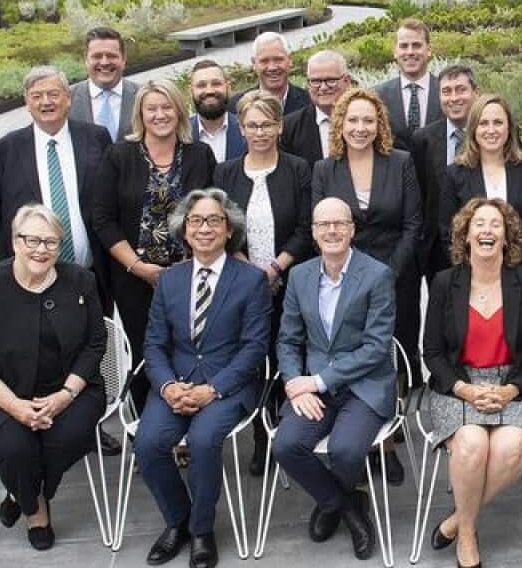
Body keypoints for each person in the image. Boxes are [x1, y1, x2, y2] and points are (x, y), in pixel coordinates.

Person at [0, 204, 106, 550]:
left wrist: (65, 395)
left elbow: (95, 343)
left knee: (64, 440)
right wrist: (17, 408)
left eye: (51, 242)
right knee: (15, 449)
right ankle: (36, 509)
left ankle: (18, 493)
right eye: (32, 240)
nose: (42, 250)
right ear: (14, 242)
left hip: (70, 391)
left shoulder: (81, 280)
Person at [134, 189, 269, 568]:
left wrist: (214, 389)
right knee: (147, 444)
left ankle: (202, 531)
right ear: (184, 230)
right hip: (175, 383)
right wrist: (167, 386)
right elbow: (154, 345)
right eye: (196, 221)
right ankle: (178, 521)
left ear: (229, 230)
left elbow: (254, 348)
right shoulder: (169, 280)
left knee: (204, 439)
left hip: (228, 385)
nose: (204, 228)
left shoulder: (251, 280)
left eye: (214, 220)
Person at [421, 198, 522, 568]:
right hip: (460, 384)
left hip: (514, 384)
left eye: (496, 225)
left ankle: (457, 522)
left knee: (511, 449)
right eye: (479, 224)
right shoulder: (445, 283)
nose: (487, 231)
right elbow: (431, 352)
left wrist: (511, 389)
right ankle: (467, 536)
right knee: (472, 445)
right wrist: (464, 389)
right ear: (465, 236)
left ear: (507, 238)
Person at [273, 197, 397, 562]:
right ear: (312, 232)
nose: (332, 231)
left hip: (365, 384)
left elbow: (377, 348)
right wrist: (295, 382)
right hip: (312, 386)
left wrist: (319, 381)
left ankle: (334, 503)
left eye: (339, 223)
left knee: (346, 449)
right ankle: (346, 505)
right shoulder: (300, 275)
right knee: (286, 445)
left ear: (352, 229)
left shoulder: (376, 275)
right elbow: (288, 339)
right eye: (323, 225)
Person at [312, 88, 421, 483]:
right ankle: (355, 438)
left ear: (380, 125)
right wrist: (354, 279)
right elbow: (322, 229)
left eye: (368, 121)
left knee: (391, 360)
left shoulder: (401, 163)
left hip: (396, 277)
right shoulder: (325, 169)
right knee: (351, 355)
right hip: (344, 281)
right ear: (340, 124)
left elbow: (413, 225)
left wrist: (387, 275)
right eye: (352, 120)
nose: (360, 128)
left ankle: (387, 441)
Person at [92, 79, 216, 409]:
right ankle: (147, 433)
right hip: (134, 277)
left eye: (167, 107)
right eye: (152, 109)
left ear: (179, 111)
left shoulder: (199, 154)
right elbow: (103, 219)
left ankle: (187, 422)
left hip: (190, 276)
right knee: (145, 351)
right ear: (140, 115)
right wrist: (137, 266)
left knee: (189, 349)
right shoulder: (119, 155)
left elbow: (213, 212)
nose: (160, 115)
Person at [212, 94, 312, 475]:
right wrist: (247, 270)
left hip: (290, 280)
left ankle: (292, 429)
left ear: (279, 127)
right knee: (252, 358)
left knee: (290, 354)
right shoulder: (225, 172)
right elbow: (219, 224)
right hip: (241, 284)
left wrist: (275, 267)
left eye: (267, 124)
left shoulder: (299, 169)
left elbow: (306, 226)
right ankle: (259, 437)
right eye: (252, 125)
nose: (260, 132)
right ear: (241, 128)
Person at [0, 66, 114, 311]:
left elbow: (111, 202)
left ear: (68, 98)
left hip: (92, 276)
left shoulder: (96, 137)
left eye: (53, 94)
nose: (46, 102)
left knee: (95, 346)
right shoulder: (7, 148)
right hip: (29, 281)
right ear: (26, 102)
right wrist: (4, 272)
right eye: (36, 96)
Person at [439, 93, 522, 271]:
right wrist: (473, 271)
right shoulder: (454, 174)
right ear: (473, 129)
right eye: (483, 123)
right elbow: (448, 232)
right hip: (473, 276)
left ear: (509, 128)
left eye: (498, 122)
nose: (491, 130)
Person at [412, 64, 479, 281]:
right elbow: (419, 196)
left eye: (460, 89)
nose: (453, 98)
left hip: (485, 244)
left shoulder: (491, 134)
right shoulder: (423, 139)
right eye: (446, 91)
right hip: (439, 253)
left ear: (475, 93)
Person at [375, 18, 441, 150]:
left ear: (428, 50)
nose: (410, 52)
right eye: (404, 46)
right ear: (395, 52)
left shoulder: (446, 93)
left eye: (416, 45)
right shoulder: (377, 95)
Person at [280, 50, 351, 166]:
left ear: (347, 81)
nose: (323, 87)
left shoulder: (367, 119)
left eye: (331, 80)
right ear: (307, 84)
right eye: (316, 81)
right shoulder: (290, 128)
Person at [69, 26, 139, 142]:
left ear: (123, 59)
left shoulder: (144, 95)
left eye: (111, 56)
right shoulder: (66, 98)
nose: (104, 62)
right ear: (86, 60)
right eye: (97, 56)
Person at [230, 32, 309, 115]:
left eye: (278, 59)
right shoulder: (235, 107)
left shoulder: (310, 102)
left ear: (290, 60)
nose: (272, 67)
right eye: (264, 61)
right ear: (254, 64)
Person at [189, 60, 246, 163]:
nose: (209, 91)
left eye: (216, 84)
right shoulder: (181, 134)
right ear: (191, 91)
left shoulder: (248, 129)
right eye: (201, 85)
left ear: (228, 88)